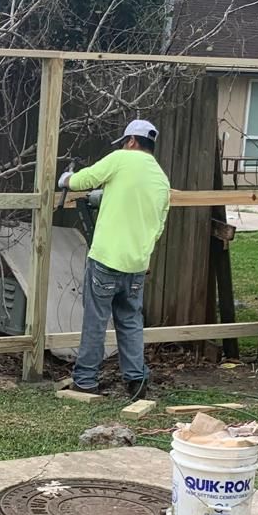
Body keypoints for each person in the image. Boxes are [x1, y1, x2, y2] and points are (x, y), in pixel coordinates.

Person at [58, 118, 172, 398]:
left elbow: (85, 179)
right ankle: (136, 380)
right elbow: (157, 226)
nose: (123, 145)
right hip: (136, 265)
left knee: (96, 321)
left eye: (124, 142)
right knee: (130, 321)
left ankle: (86, 380)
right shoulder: (160, 179)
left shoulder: (122, 159)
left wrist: (66, 179)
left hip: (106, 259)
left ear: (131, 141)